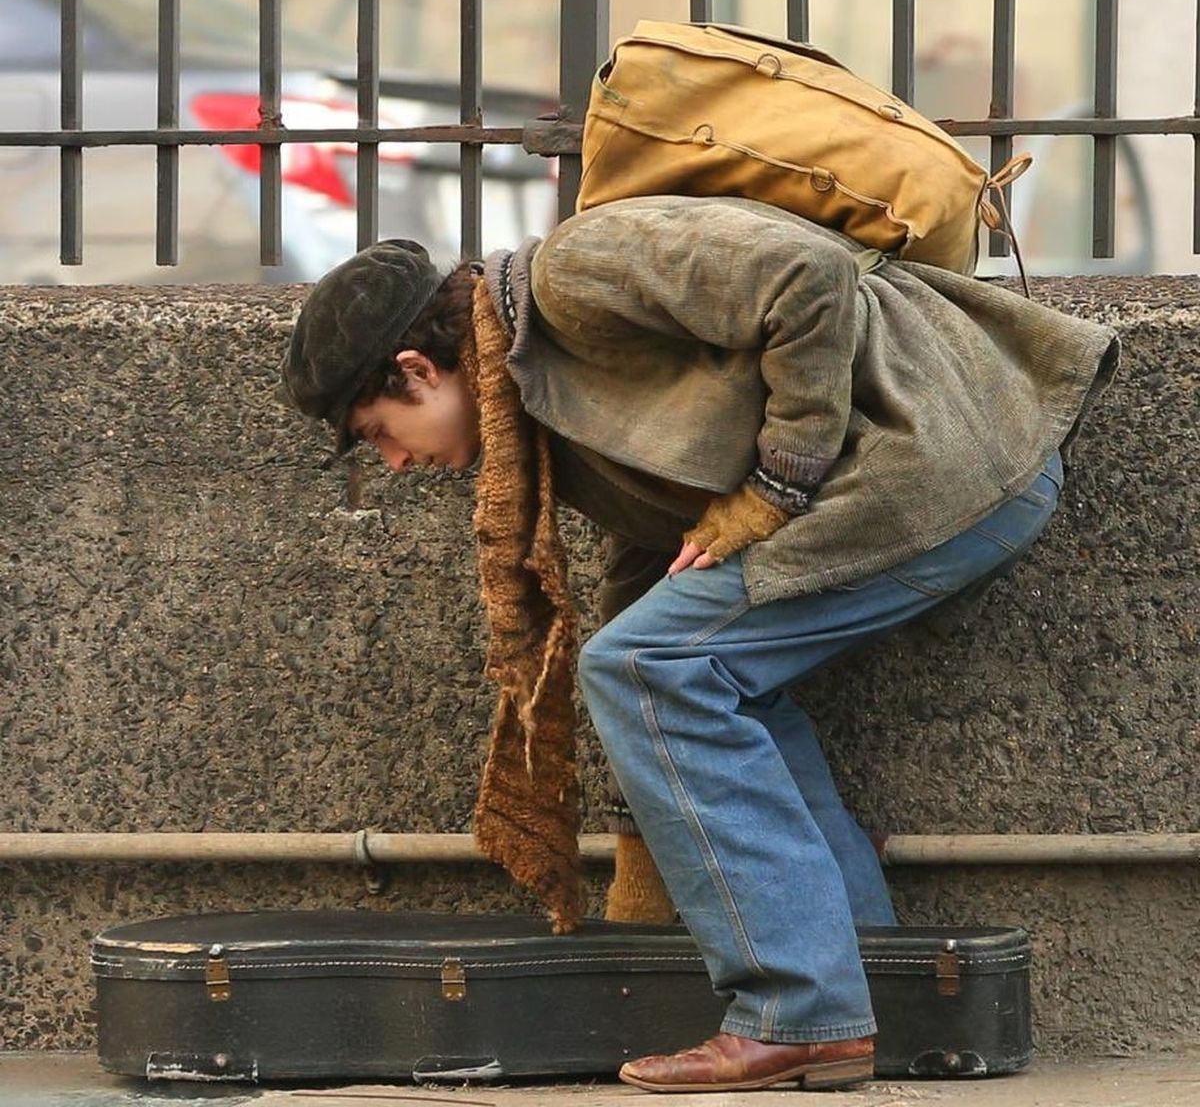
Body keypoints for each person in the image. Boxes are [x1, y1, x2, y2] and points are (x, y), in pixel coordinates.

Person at [282, 195, 1118, 1093]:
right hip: (924, 486)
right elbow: (659, 549)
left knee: (649, 669)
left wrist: (776, 482)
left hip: (942, 464)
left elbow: (810, 278)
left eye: (378, 435)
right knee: (669, 668)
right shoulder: (537, 403)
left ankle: (798, 1012)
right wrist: (645, 735)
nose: (397, 464)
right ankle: (884, 996)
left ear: (417, 368)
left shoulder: (572, 275)